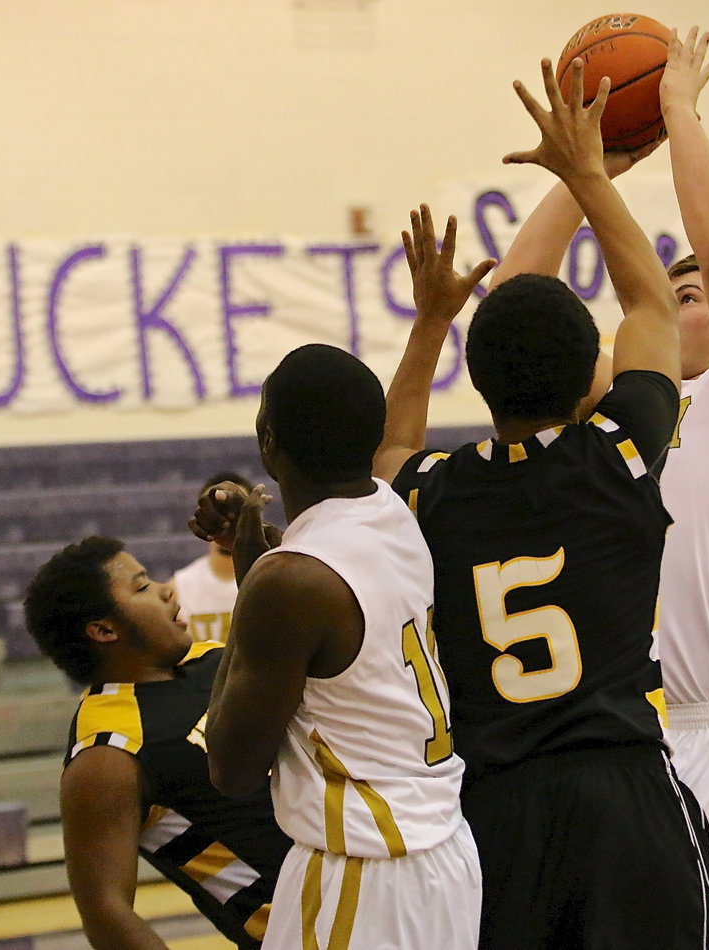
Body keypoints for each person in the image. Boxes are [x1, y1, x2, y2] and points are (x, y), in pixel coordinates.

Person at [372, 56, 709, 949]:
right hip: (624, 792)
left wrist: (428, 326)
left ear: (477, 380)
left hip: (494, 813)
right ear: (588, 383)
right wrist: (589, 175)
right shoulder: (618, 458)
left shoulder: (429, 493)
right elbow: (648, 298)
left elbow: (388, 451)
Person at [487, 27, 709, 912]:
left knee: (682, 927)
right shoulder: (628, 409)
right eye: (668, 291)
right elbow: (515, 311)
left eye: (692, 294)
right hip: (627, 727)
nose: (676, 298)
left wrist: (676, 110)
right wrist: (592, 169)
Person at [190, 344, 482, 949]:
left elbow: (231, 770)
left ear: (267, 441)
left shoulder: (289, 582)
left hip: (363, 870)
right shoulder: (394, 508)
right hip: (445, 852)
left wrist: (254, 585)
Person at [22, 536, 291, 949]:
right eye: (142, 587)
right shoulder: (107, 750)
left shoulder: (213, 659)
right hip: (307, 930)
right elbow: (106, 911)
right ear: (104, 629)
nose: (167, 589)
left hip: (388, 885)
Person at [171, 470, 253, 641]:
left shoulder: (275, 577)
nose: (228, 518)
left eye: (238, 508)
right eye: (217, 509)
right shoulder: (177, 590)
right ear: (199, 518)